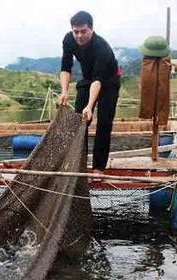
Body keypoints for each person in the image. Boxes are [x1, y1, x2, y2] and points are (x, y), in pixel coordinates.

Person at [58, 11, 121, 174]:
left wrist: (90, 105)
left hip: (108, 81)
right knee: (80, 120)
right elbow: (65, 67)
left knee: (104, 123)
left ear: (91, 29)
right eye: (75, 31)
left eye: (83, 31)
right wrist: (64, 92)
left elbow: (98, 79)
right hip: (88, 79)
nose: (79, 36)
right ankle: (79, 164)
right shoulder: (68, 39)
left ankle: (99, 167)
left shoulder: (101, 46)